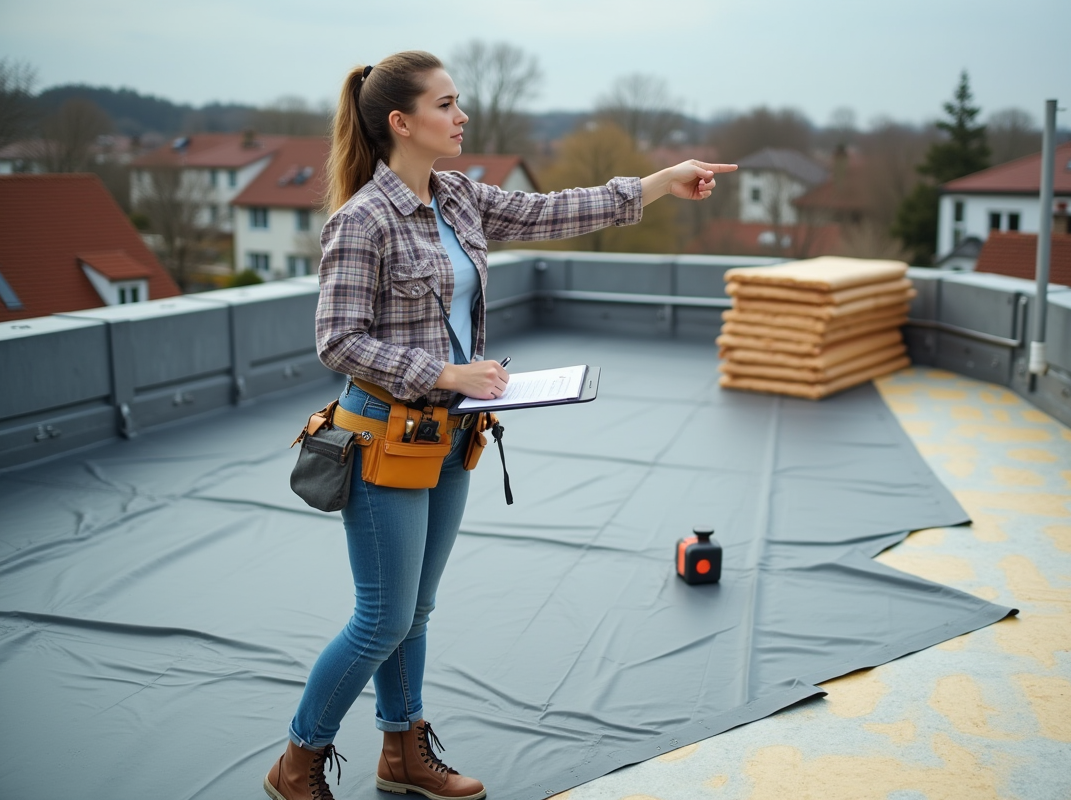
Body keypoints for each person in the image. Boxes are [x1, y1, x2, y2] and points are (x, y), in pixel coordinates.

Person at [264, 50, 735, 800]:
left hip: (451, 437)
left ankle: (403, 752)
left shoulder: (456, 198)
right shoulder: (362, 221)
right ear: (401, 122)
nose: (463, 116)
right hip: (383, 437)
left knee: (415, 611)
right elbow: (338, 341)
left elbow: (556, 210)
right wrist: (446, 374)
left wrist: (661, 181)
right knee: (381, 618)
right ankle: (298, 760)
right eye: (447, 104)